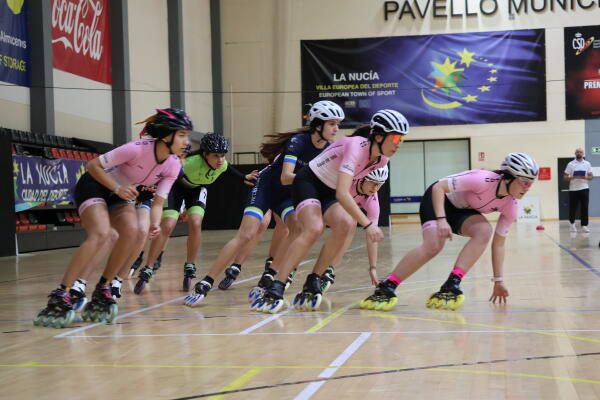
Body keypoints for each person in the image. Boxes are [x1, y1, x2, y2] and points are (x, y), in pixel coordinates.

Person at [33, 108, 191, 328]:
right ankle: (62, 292)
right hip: (95, 185)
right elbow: (93, 165)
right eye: (182, 135)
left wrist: (155, 223)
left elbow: (157, 202)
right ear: (167, 135)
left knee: (134, 232)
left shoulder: (173, 165)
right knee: (103, 235)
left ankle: (103, 287)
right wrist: (117, 187)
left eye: (187, 135)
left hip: (120, 194)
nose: (187, 141)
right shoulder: (137, 149)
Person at [183, 100, 345, 306]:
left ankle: (271, 275)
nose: (336, 128)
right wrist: (316, 177)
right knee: (247, 234)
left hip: (287, 195)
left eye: (338, 124)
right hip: (266, 188)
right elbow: (286, 177)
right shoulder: (298, 142)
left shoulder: (328, 149)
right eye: (332, 123)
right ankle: (206, 282)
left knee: (296, 228)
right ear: (318, 125)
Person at [250, 109, 408, 314]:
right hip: (309, 182)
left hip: (330, 190)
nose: (398, 143)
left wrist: (367, 226)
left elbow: (343, 191)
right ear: (378, 136)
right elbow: (343, 194)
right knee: (313, 228)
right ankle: (277, 285)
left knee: (347, 224)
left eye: (401, 138)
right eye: (395, 137)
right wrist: (368, 224)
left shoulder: (381, 161)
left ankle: (314, 279)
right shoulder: (356, 147)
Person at [360, 152, 539, 312]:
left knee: (484, 230)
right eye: (524, 182)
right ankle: (388, 285)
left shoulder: (511, 206)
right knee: (434, 246)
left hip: (461, 210)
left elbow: (498, 245)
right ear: (508, 178)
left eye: (530, 184)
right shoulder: (482, 179)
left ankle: (452, 283)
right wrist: (441, 219)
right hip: (439, 198)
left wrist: (499, 281)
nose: (527, 187)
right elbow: (439, 187)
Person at [129, 132, 258, 294]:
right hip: (176, 188)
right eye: (216, 156)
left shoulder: (222, 165)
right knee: (168, 225)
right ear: (205, 154)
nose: (220, 160)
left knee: (196, 222)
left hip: (196, 190)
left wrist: (243, 176)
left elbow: (229, 170)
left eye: (223, 156)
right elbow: (165, 172)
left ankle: (190, 264)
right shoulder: (190, 163)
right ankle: (149, 266)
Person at [564, 148, 592, 233]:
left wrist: (585, 177)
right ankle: (572, 224)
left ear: (583, 153)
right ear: (575, 153)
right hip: (573, 189)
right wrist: (573, 177)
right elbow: (565, 177)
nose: (579, 153)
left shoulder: (587, 163)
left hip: (584, 188)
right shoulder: (570, 164)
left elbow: (590, 177)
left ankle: (584, 225)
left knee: (585, 208)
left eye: (581, 152)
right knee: (573, 208)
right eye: (577, 152)